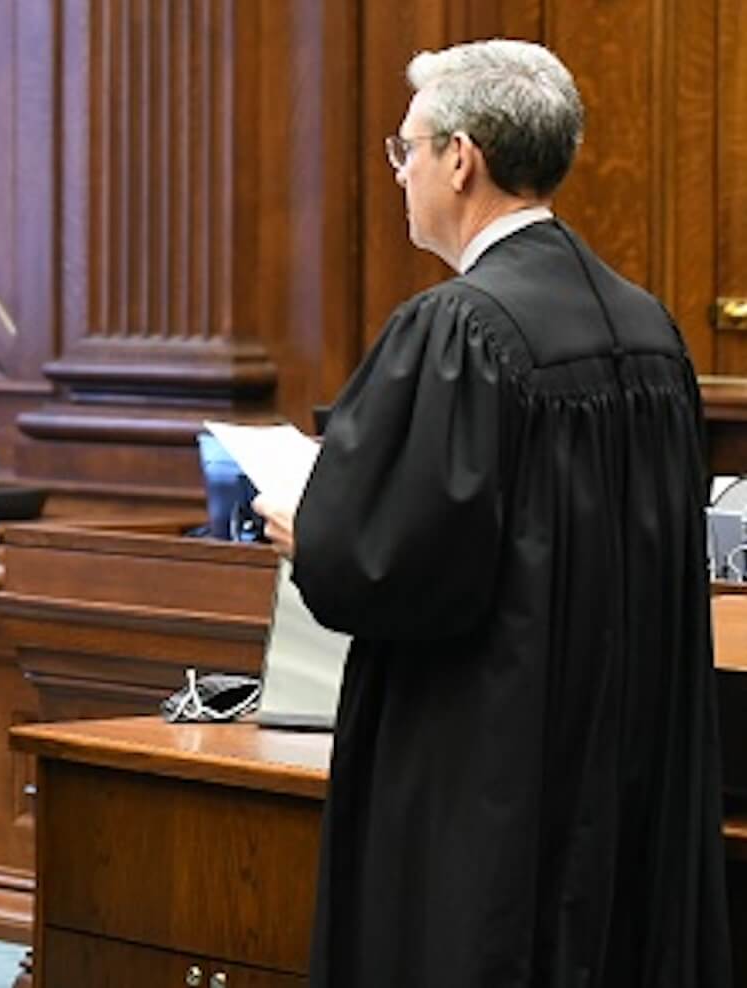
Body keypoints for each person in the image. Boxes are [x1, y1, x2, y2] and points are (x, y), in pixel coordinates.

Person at [253, 40, 732, 988]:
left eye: (407, 148)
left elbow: (389, 563)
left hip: (491, 767)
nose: (401, 174)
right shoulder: (648, 328)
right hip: (626, 759)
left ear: (460, 157)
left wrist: (316, 529)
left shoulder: (459, 329)